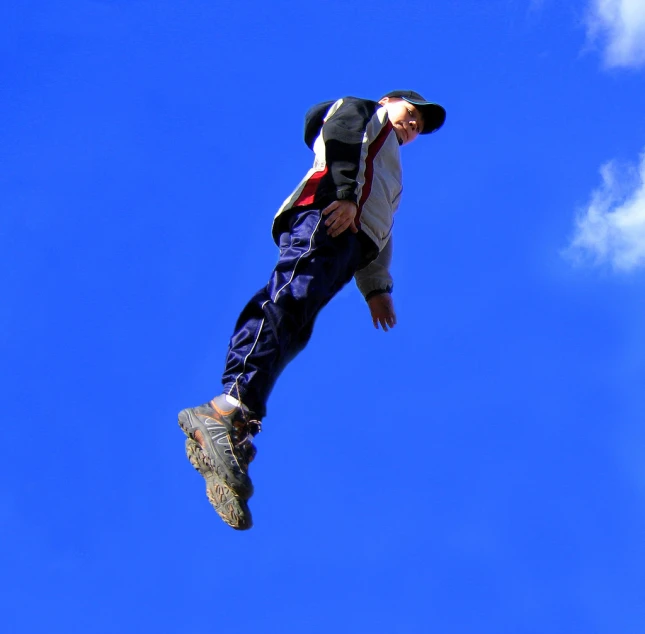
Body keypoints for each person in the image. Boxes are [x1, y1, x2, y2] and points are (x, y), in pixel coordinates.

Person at [178, 90, 446, 530]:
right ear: (388, 100)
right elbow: (341, 137)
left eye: (420, 126)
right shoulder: (363, 112)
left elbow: (381, 226)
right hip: (326, 213)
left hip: (350, 243)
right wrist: (341, 194)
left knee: (297, 328)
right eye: (411, 114)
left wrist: (377, 286)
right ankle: (222, 409)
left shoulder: (393, 171)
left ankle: (237, 422)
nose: (413, 125)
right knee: (288, 299)